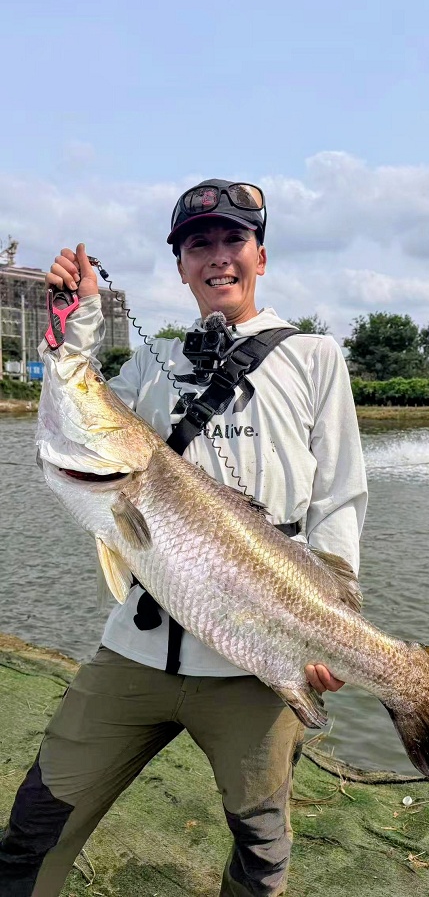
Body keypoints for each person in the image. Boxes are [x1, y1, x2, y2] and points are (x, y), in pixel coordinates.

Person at [0, 179, 368, 897]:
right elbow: (78, 391)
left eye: (234, 240)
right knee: (36, 824)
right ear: (181, 267)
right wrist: (76, 314)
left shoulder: (316, 357)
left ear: (262, 256)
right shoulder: (152, 362)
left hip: (256, 662)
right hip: (136, 649)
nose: (218, 256)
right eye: (199, 245)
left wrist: (337, 620)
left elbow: (340, 500)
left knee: (260, 854)